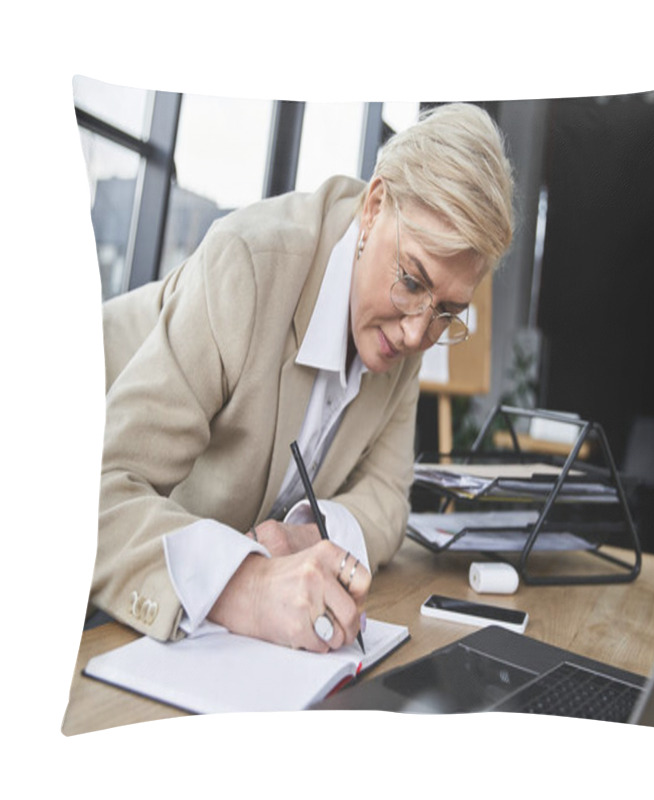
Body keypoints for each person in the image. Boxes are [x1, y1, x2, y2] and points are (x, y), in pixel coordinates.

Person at [91, 102, 515, 653]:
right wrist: (246, 585)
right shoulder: (247, 264)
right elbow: (94, 492)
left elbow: (388, 497)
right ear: (375, 206)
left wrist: (309, 536)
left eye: (448, 312)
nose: (417, 335)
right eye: (410, 279)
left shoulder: (409, 327)